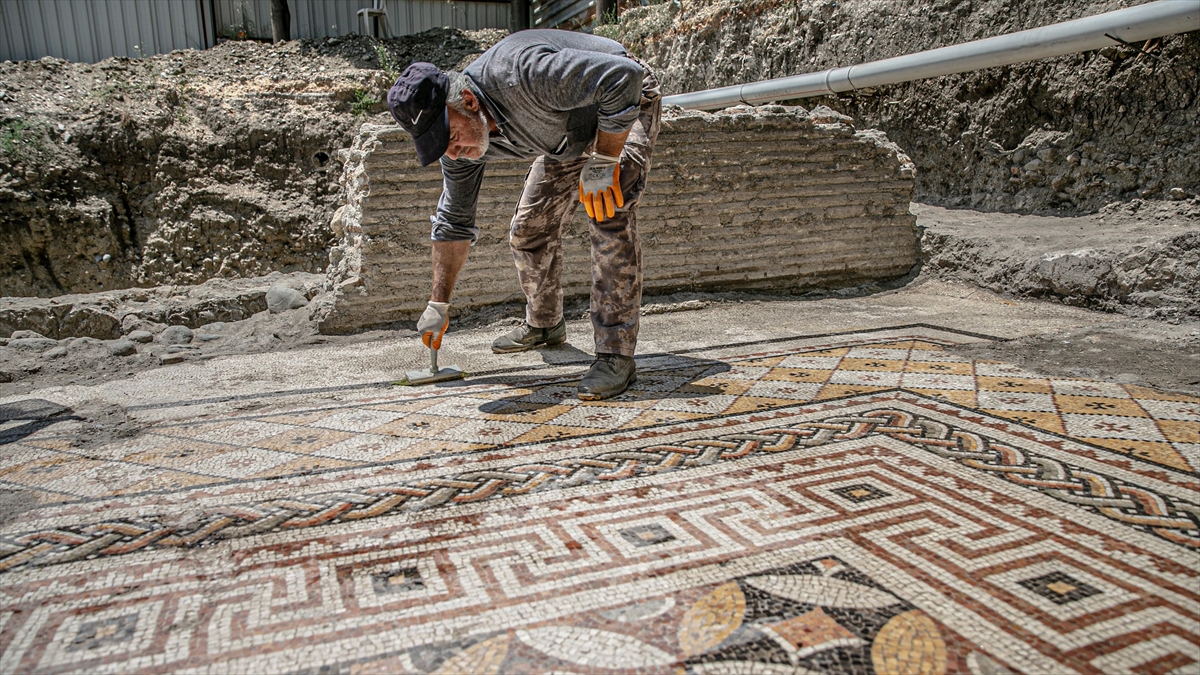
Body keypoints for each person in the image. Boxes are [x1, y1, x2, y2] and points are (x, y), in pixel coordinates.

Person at [386, 29, 661, 401]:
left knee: (607, 216)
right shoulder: (463, 146)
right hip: (567, 130)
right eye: (439, 148)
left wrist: (605, 161)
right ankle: (546, 325)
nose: (452, 153)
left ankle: (616, 354)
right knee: (529, 229)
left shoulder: (523, 74)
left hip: (622, 102)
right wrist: (439, 302)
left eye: (450, 139)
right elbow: (454, 221)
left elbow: (621, 78)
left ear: (468, 101)